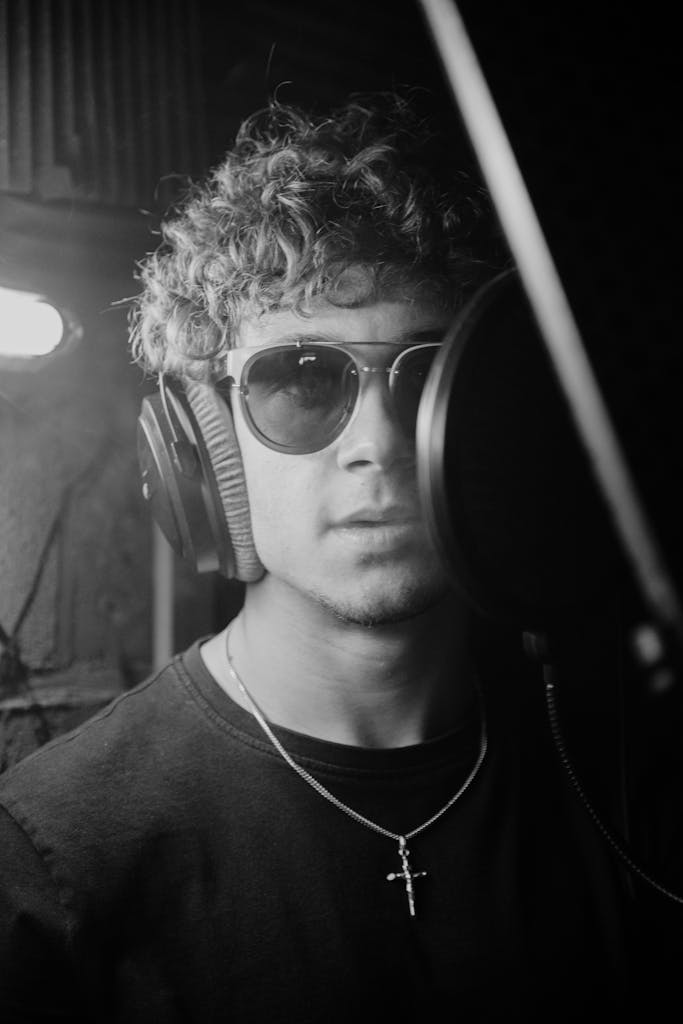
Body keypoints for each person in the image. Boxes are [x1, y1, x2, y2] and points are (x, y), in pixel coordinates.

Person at [0, 92, 680, 1023]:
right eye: (302, 378)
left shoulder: (626, 777)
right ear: (206, 451)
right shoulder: (54, 854)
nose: (379, 443)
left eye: (427, 376)